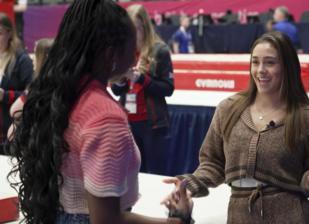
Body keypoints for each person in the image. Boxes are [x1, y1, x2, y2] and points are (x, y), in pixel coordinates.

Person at [8, 1, 192, 223]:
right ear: (110, 53)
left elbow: (15, 116)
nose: (135, 58)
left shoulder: (56, 92)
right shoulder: (105, 117)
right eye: (131, 48)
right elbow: (107, 220)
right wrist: (176, 221)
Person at [164, 32, 309, 224]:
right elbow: (213, 162)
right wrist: (191, 184)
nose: (260, 70)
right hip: (240, 215)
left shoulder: (306, 118)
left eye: (270, 62)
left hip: (291, 216)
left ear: (287, 67)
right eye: (255, 62)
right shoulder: (228, 109)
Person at [111, 4, 174, 174]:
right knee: (132, 176)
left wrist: (142, 79)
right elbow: (116, 90)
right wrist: (122, 81)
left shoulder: (159, 50)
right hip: (128, 124)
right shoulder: (124, 51)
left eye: (136, 29)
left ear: (144, 27)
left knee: (154, 174)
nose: (133, 34)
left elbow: (168, 88)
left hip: (152, 125)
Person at [7, 38, 54, 139]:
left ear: (43, 59)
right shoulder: (55, 86)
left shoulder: (38, 87)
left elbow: (13, 110)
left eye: (35, 54)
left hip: (32, 144)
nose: (31, 58)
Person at [0, 12, 33, 149]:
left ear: (9, 33)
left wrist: (5, 96)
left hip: (9, 134)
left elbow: (31, 95)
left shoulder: (21, 60)